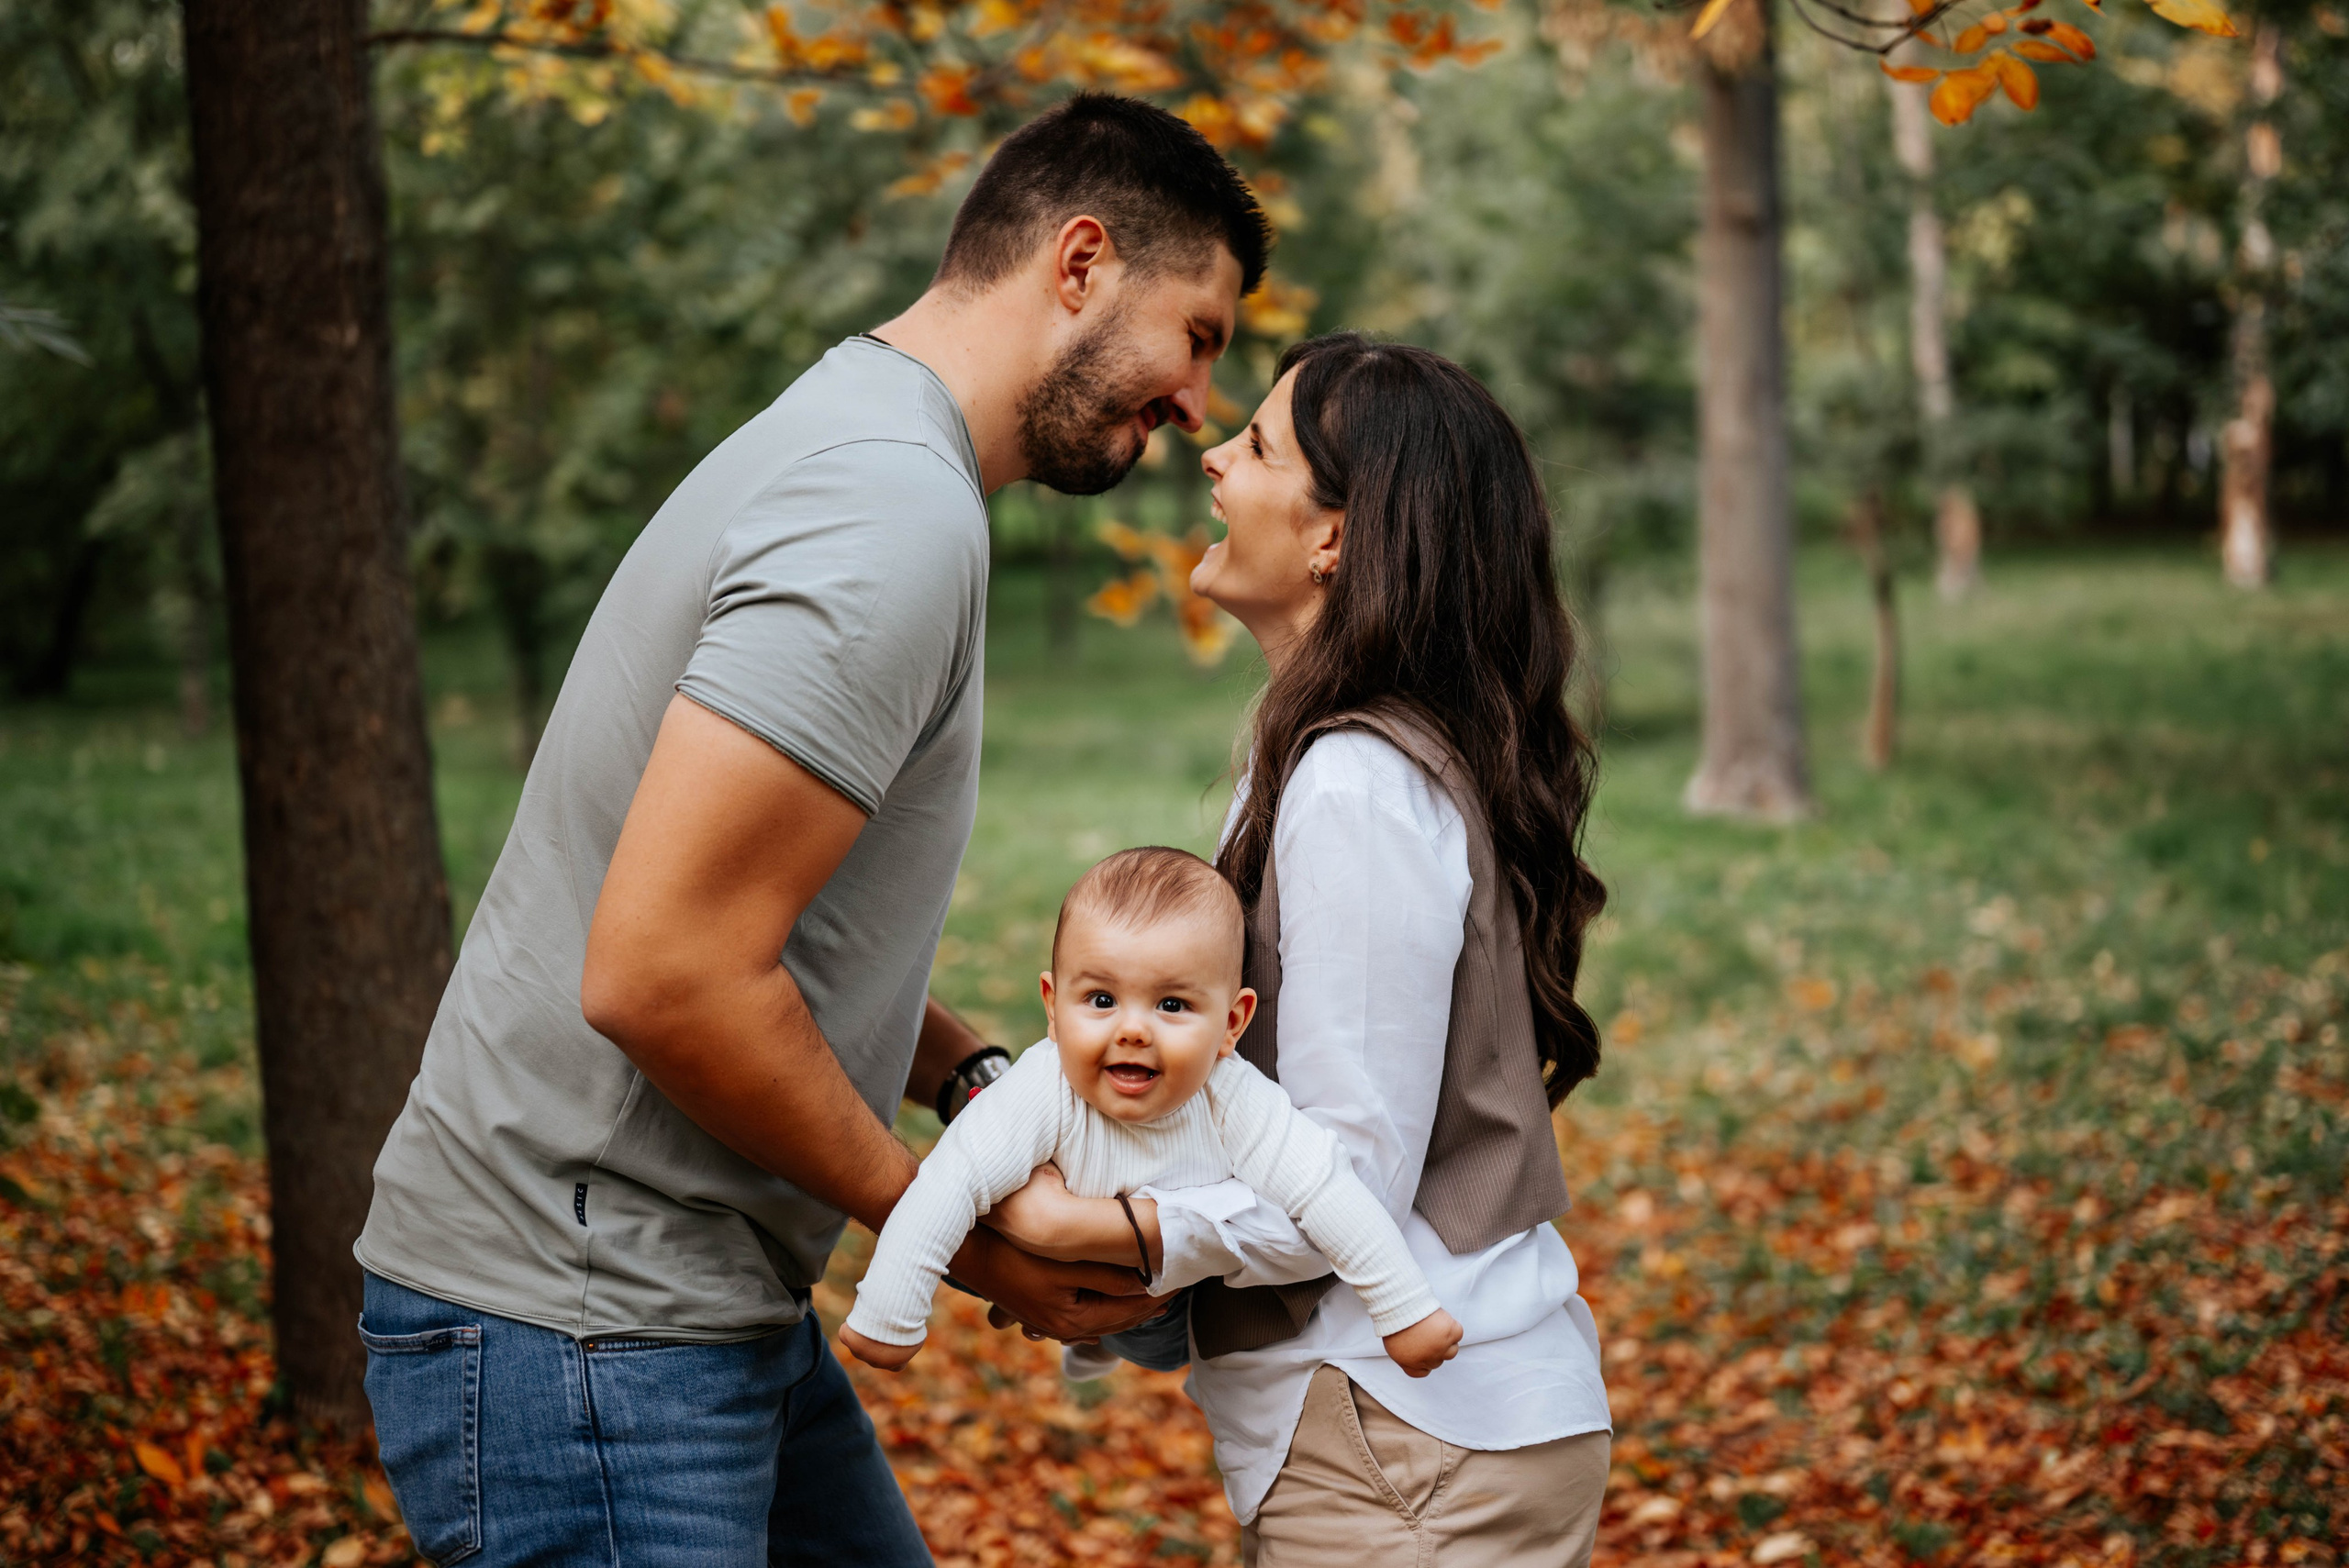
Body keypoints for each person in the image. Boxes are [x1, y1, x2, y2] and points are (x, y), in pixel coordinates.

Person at [350, 95, 1268, 1568]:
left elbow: (763, 918)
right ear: (1082, 262)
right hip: (587, 1322)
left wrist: (971, 1075)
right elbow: (664, 971)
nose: (1196, 406)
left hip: (688, 1303)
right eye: (1201, 336)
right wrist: (962, 1235)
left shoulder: (860, 442)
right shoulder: (887, 515)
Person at [983, 334, 1613, 1565]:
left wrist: (1092, 1232)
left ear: (1339, 536)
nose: (1212, 458)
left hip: (1406, 1442)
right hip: (1410, 1432)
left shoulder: (1355, 785)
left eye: (1260, 445)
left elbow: (1346, 1181)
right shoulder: (1338, 760)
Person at [838, 846, 1464, 1381]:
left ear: (1231, 1023)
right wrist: (888, 1314)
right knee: (964, 1207)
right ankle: (1077, 1336)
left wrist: (1405, 1309)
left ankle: (1095, 1340)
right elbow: (946, 1184)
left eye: (1171, 1003)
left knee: (1162, 1338)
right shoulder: (1039, 1087)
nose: (1133, 1029)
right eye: (1102, 999)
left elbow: (1326, 1188)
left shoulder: (1234, 1097)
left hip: (1153, 1299)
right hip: (1024, 1256)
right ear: (1054, 1010)